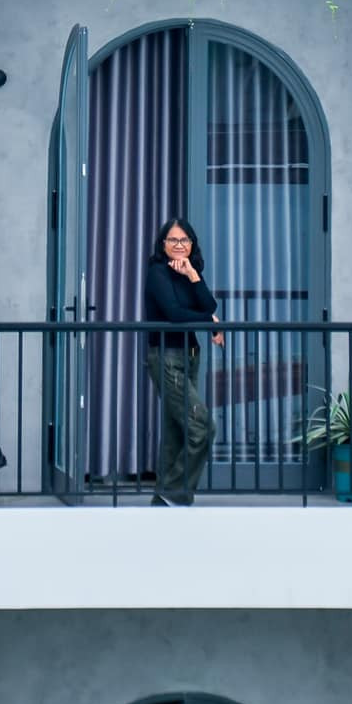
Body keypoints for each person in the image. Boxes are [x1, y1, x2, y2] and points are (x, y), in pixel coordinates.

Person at [144, 216, 223, 505]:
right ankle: (173, 491)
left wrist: (193, 275)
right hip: (166, 357)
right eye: (173, 240)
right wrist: (210, 321)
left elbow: (209, 304)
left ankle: (163, 500)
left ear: (191, 244)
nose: (179, 245)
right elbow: (175, 314)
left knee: (177, 431)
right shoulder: (157, 273)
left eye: (184, 240)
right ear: (162, 244)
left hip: (190, 357)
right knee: (202, 426)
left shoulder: (188, 272)